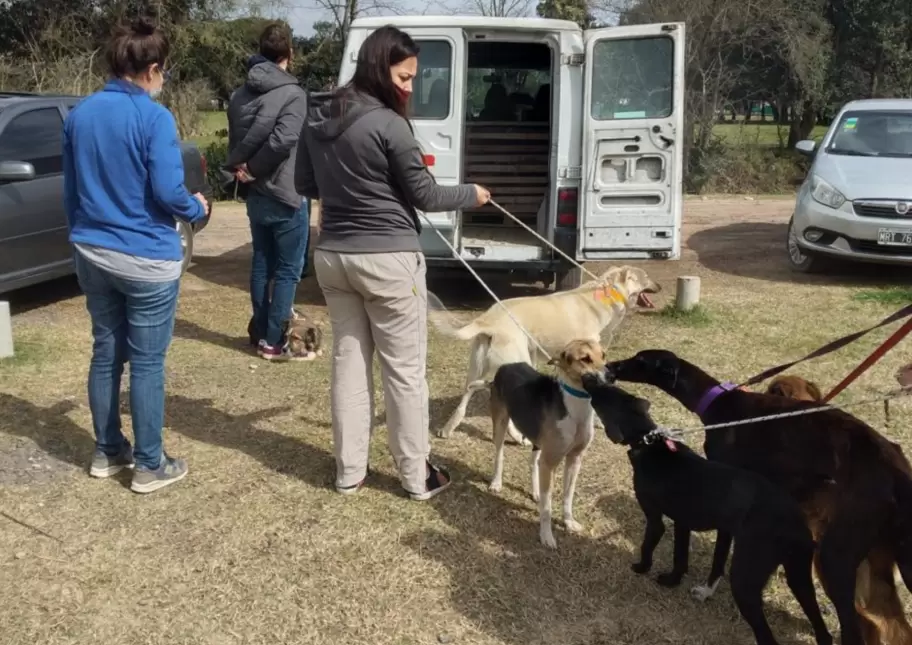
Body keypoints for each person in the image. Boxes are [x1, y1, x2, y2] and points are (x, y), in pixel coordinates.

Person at [294, 25, 490, 500]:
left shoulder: (317, 116)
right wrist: (473, 194)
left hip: (334, 258)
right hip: (387, 259)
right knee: (404, 372)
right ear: (380, 69)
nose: (408, 88)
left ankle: (349, 472)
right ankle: (415, 474)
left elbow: (304, 183)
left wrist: (346, 192)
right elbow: (424, 194)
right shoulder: (388, 124)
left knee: (349, 362)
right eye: (404, 78)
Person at [62, 17, 209, 494]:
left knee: (106, 350)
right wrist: (196, 207)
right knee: (147, 362)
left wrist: (81, 233)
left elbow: (72, 190)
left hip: (92, 248)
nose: (164, 79)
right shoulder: (153, 117)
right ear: (151, 68)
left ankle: (108, 449)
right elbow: (169, 191)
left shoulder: (81, 114)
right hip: (145, 256)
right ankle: (150, 463)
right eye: (163, 70)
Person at [225, 23, 309, 360]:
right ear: (288, 55)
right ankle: (274, 341)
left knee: (262, 263)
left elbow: (239, 137)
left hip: (254, 192)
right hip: (285, 192)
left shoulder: (239, 94)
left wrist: (246, 170)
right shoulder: (293, 94)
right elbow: (284, 140)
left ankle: (259, 330)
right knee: (288, 269)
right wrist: (257, 167)